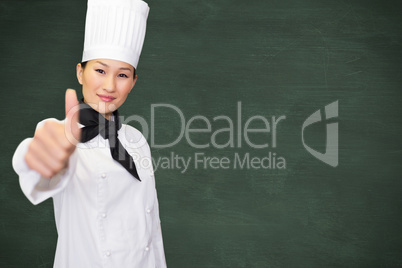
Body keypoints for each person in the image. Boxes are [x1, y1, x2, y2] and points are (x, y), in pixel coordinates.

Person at [12, 0, 167, 267]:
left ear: (133, 82)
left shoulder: (137, 141)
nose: (109, 85)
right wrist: (42, 156)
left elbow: (152, 233)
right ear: (80, 72)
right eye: (100, 70)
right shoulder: (65, 136)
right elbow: (42, 163)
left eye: (122, 74)